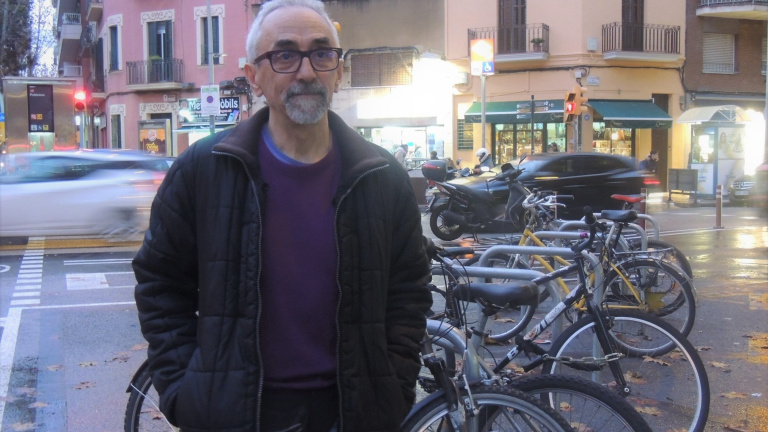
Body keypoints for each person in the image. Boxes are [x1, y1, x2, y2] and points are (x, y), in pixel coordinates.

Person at [132, 1, 432, 431]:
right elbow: (160, 283)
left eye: (322, 53)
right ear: (253, 76)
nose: (306, 72)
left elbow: (408, 292)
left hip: (354, 414)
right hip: (236, 415)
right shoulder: (202, 170)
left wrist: (392, 386)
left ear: (339, 71)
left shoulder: (382, 176)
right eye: (285, 55)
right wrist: (187, 390)